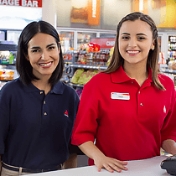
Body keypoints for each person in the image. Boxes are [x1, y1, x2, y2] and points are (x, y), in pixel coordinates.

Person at [71, 12, 176, 173]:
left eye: (140, 38)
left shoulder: (166, 86)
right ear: (118, 41)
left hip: (151, 170)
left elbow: (168, 132)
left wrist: (174, 149)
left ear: (153, 43)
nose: (132, 44)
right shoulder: (98, 84)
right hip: (109, 171)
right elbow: (81, 134)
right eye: (125, 37)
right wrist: (100, 158)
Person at [0, 20, 79, 176]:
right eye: (36, 50)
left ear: (58, 49)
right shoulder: (9, 93)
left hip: (57, 172)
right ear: (26, 54)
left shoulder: (70, 96)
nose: (45, 56)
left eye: (51, 48)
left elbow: (72, 150)